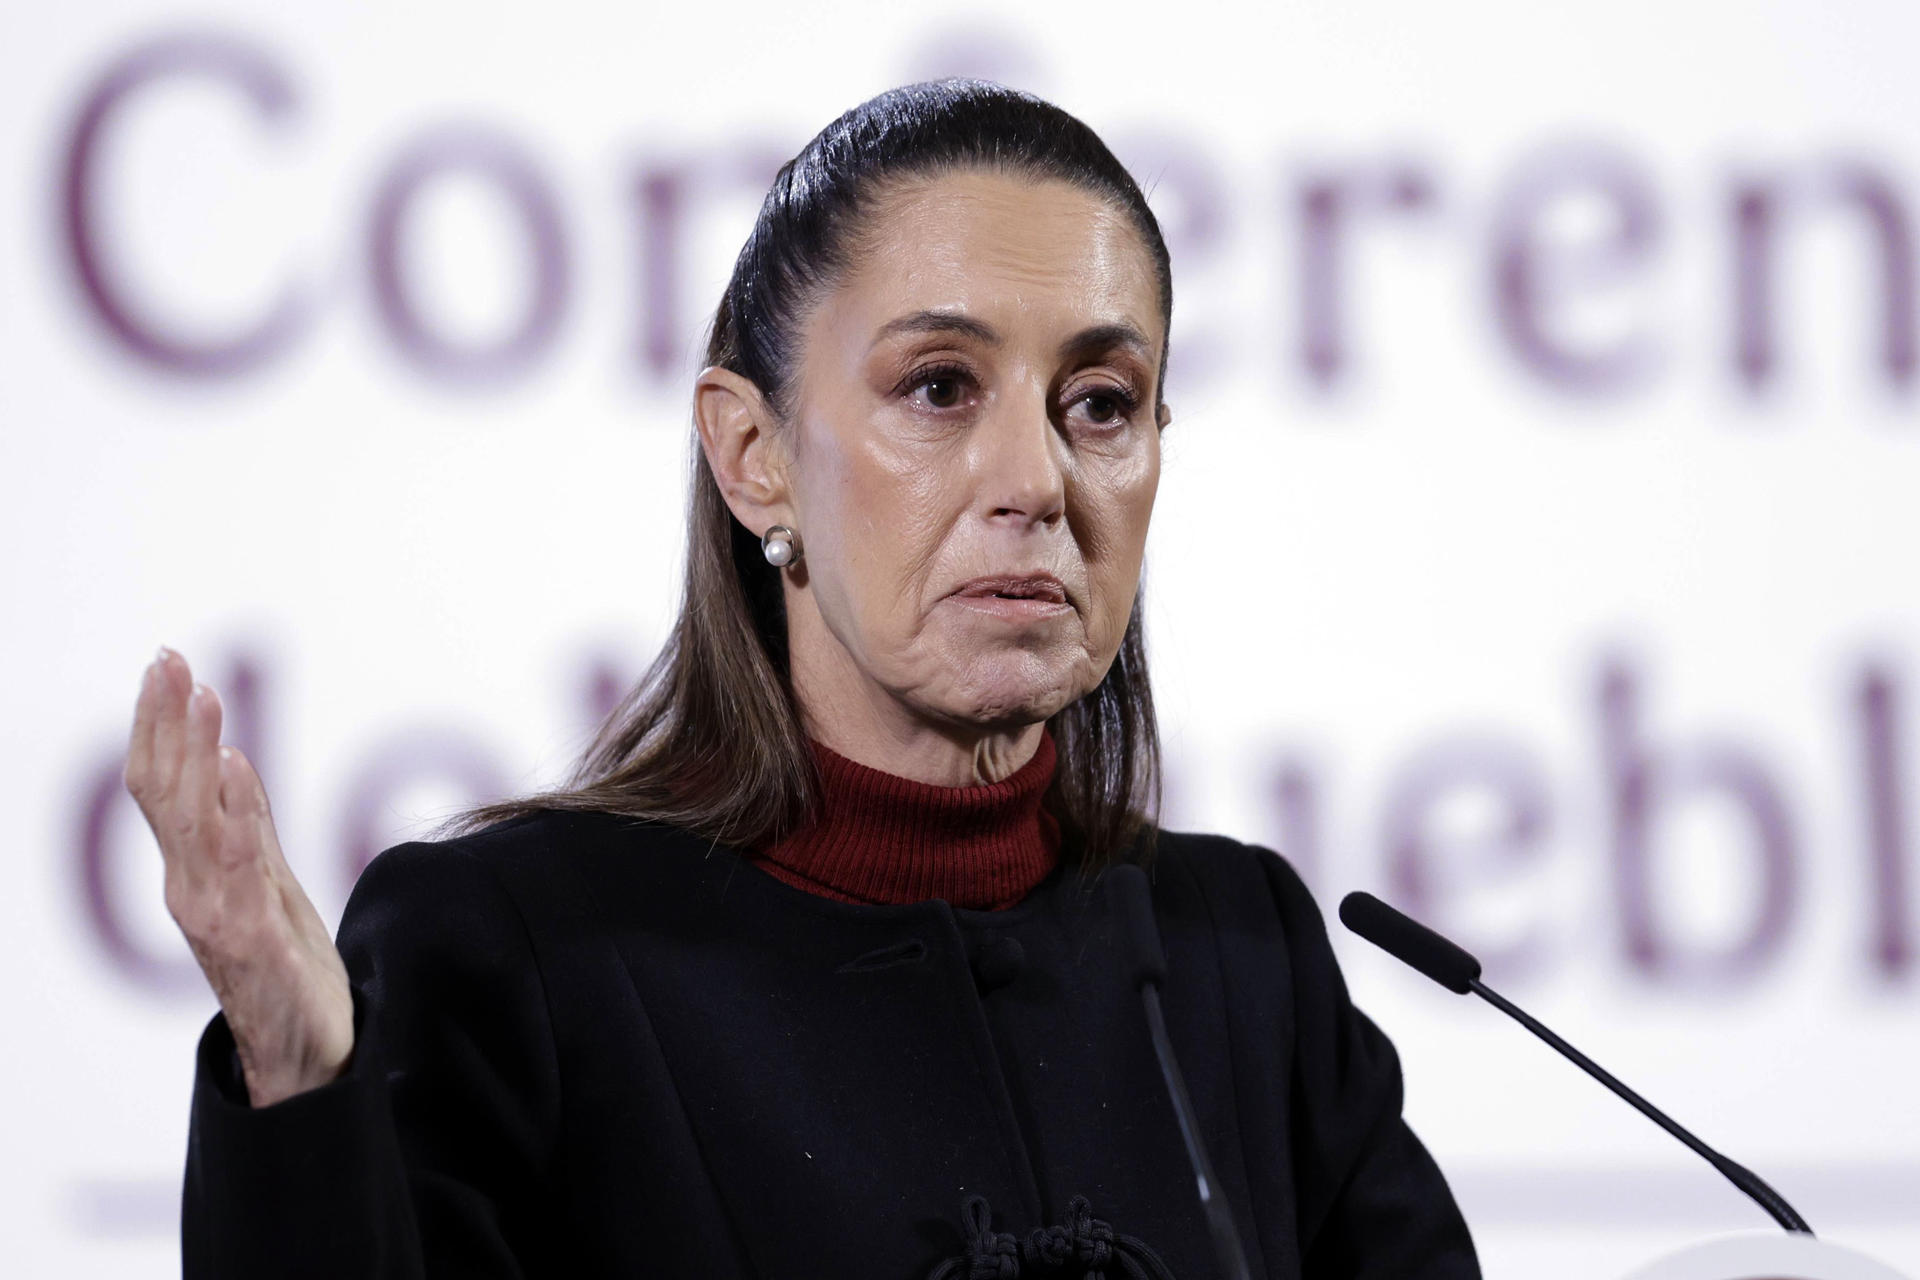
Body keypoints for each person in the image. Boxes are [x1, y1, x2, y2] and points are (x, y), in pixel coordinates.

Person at [123, 79, 1481, 1280]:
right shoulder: (511, 957)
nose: (1036, 483)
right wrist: (302, 1091)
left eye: (1103, 403)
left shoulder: (1240, 957)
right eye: (941, 387)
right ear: (753, 453)